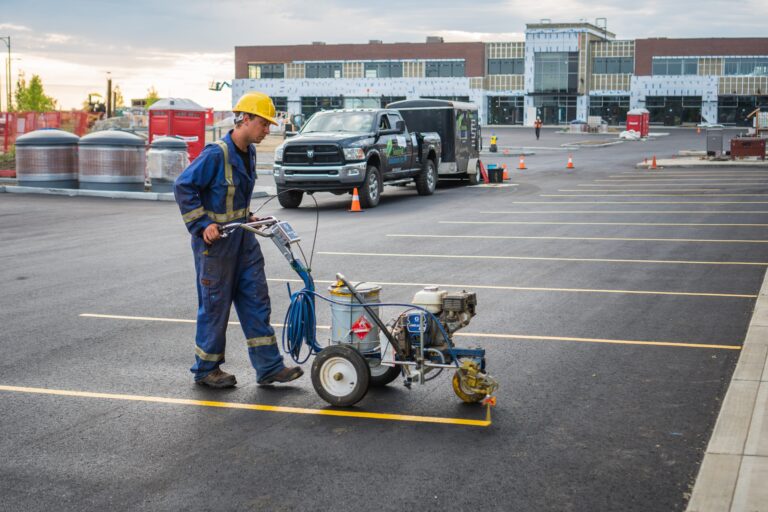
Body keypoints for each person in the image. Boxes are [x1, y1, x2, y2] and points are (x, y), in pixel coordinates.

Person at [174, 91, 304, 388]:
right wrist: (202, 224)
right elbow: (184, 187)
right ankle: (206, 369)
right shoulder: (215, 153)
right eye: (263, 123)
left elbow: (233, 199)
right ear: (245, 119)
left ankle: (269, 367)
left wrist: (247, 216)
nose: (267, 129)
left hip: (243, 238)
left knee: (256, 299)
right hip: (217, 246)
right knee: (215, 305)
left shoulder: (250, 152)